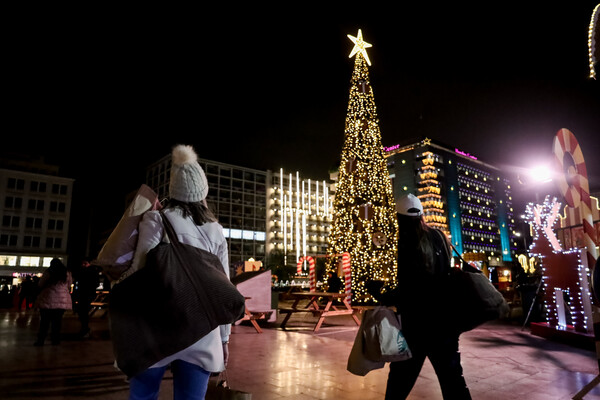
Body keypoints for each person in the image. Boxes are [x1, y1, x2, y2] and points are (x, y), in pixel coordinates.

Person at [123, 144, 231, 400]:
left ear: (173, 190)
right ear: (202, 192)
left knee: (143, 396)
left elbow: (138, 271)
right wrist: (224, 339)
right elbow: (224, 289)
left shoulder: (155, 220)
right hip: (201, 333)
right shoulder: (214, 230)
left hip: (155, 329)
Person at [367, 193, 472, 399]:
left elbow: (410, 289)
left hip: (416, 326)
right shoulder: (439, 237)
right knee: (453, 380)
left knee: (399, 380)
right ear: (421, 215)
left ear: (398, 217)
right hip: (445, 323)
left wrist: (379, 292)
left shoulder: (405, 242)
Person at [33, 258, 73, 346]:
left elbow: (41, 284)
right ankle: (55, 340)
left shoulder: (49, 271)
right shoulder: (67, 272)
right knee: (57, 322)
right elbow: (69, 284)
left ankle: (41, 340)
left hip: (48, 298)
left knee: (44, 322)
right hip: (62, 300)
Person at [74, 257, 100, 338]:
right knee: (83, 312)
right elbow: (97, 283)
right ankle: (85, 328)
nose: (83, 265)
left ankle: (85, 329)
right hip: (89, 293)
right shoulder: (94, 271)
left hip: (84, 293)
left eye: (85, 263)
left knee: (82, 312)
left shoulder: (85, 272)